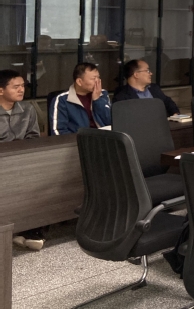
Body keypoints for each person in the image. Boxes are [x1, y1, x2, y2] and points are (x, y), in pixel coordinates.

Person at [1, 70, 46, 250]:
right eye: (16, 87)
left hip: (22, 161)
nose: (21, 90)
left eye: (23, 86)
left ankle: (30, 229)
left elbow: (33, 137)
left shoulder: (27, 109)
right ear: (1, 90)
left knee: (40, 181)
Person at [52, 63, 111, 135]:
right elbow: (58, 131)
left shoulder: (103, 94)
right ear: (79, 82)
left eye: (98, 77)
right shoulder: (62, 100)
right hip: (77, 139)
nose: (97, 81)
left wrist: (97, 100)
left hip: (103, 137)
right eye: (93, 78)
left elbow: (110, 121)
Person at [114, 59, 179, 116]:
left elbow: (168, 102)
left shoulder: (154, 88)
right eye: (147, 71)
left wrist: (175, 114)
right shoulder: (122, 97)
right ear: (136, 74)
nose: (151, 73)